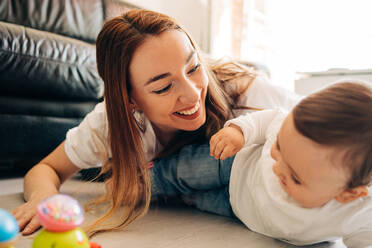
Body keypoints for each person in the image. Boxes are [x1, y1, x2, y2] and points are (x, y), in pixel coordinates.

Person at [11, 9, 300, 236]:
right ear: (130, 100)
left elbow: (322, 121)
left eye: (193, 67)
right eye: (163, 87)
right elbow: (46, 168)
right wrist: (43, 197)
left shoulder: (243, 89)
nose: (191, 94)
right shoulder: (108, 124)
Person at [150, 81, 372, 247]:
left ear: (349, 194)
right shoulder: (292, 127)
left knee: (198, 201)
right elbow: (268, 120)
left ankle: (179, 198)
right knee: (184, 170)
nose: (277, 168)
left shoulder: (360, 213)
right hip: (235, 164)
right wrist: (239, 132)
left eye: (295, 177)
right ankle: (149, 181)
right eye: (279, 147)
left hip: (240, 210)